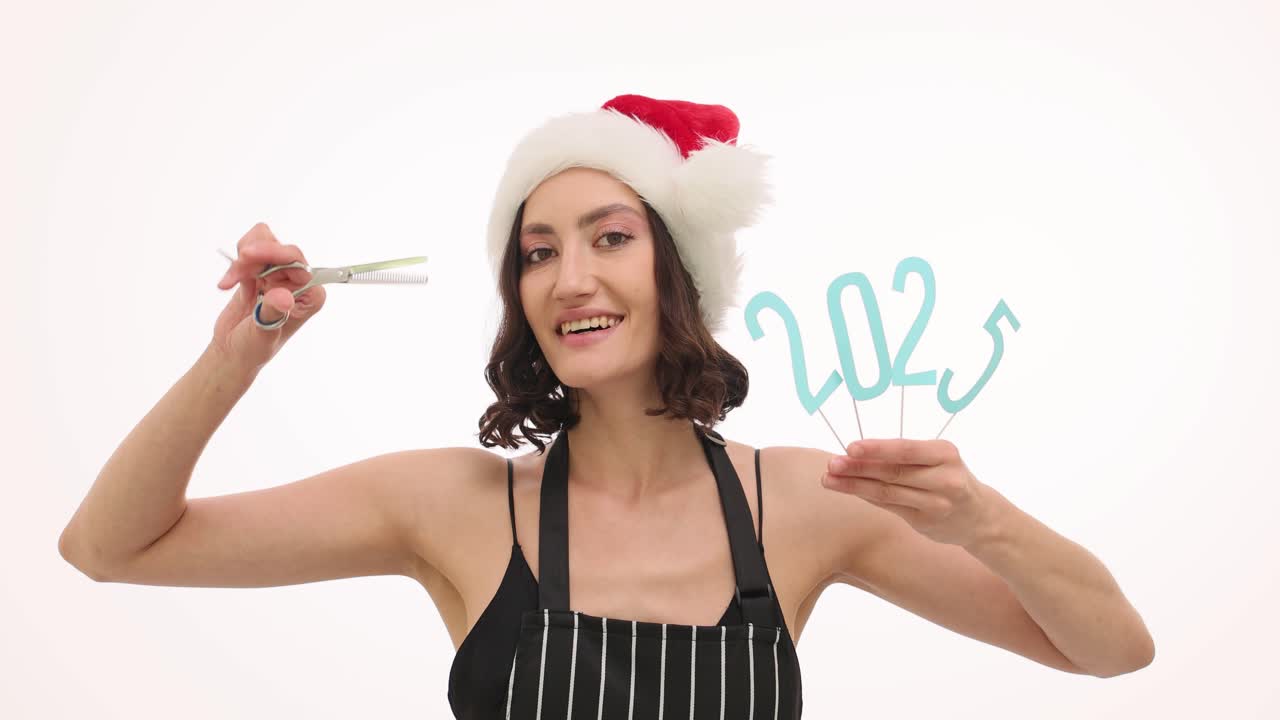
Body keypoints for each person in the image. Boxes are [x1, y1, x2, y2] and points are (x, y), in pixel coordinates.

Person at [58, 94, 1154, 719]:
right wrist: (235, 360)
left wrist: (984, 523)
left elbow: (1110, 651)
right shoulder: (449, 505)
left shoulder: (805, 503)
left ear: (681, 270)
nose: (568, 278)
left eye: (610, 238)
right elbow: (109, 548)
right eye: (537, 253)